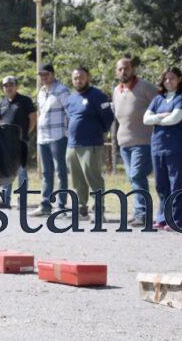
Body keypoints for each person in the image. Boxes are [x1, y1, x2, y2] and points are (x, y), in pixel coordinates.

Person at [112, 57, 158, 227]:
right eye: (120, 69)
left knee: (137, 175)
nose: (123, 72)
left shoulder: (145, 87)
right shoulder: (117, 90)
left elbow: (162, 103)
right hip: (124, 142)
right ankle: (140, 211)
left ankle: (143, 213)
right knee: (133, 179)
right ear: (116, 72)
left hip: (143, 141)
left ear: (133, 69)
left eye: (126, 68)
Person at [144, 67, 182, 231]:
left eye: (171, 78)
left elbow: (174, 119)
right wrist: (160, 117)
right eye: (165, 79)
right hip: (158, 147)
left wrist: (156, 118)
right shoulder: (158, 98)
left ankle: (178, 220)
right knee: (161, 184)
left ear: (179, 79)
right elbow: (145, 119)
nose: (168, 81)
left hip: (175, 147)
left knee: (176, 183)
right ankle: (163, 218)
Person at [64, 67, 115, 221]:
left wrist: (98, 132)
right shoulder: (71, 99)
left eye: (81, 77)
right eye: (75, 78)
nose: (78, 80)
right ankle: (82, 210)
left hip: (91, 144)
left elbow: (108, 117)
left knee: (93, 178)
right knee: (77, 180)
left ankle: (99, 211)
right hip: (72, 145)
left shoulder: (98, 95)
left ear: (88, 78)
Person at [32, 63, 71, 217]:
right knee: (46, 172)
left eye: (46, 74)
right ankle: (45, 205)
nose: (44, 77)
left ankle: (61, 206)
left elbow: (70, 112)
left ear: (53, 74)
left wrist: (67, 133)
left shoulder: (62, 90)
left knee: (60, 171)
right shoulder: (41, 91)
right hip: (43, 137)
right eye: (41, 75)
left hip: (58, 136)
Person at [0, 75, 36, 209]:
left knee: (21, 171)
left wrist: (25, 134)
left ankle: (22, 201)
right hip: (6, 143)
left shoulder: (25, 100)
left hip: (21, 141)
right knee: (7, 171)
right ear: (3, 88)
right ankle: (5, 201)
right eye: (6, 85)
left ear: (16, 86)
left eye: (11, 85)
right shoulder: (1, 103)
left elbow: (33, 118)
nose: (9, 87)